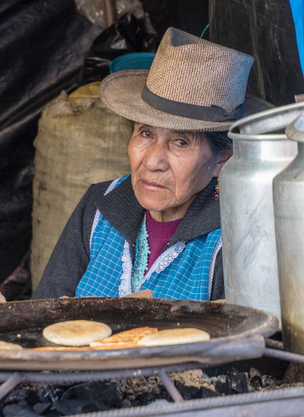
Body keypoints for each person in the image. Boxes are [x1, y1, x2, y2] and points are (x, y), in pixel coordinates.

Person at [33, 27, 269, 301]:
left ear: (222, 160)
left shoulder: (235, 236)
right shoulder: (99, 205)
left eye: (180, 142)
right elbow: (44, 315)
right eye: (146, 133)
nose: (153, 161)